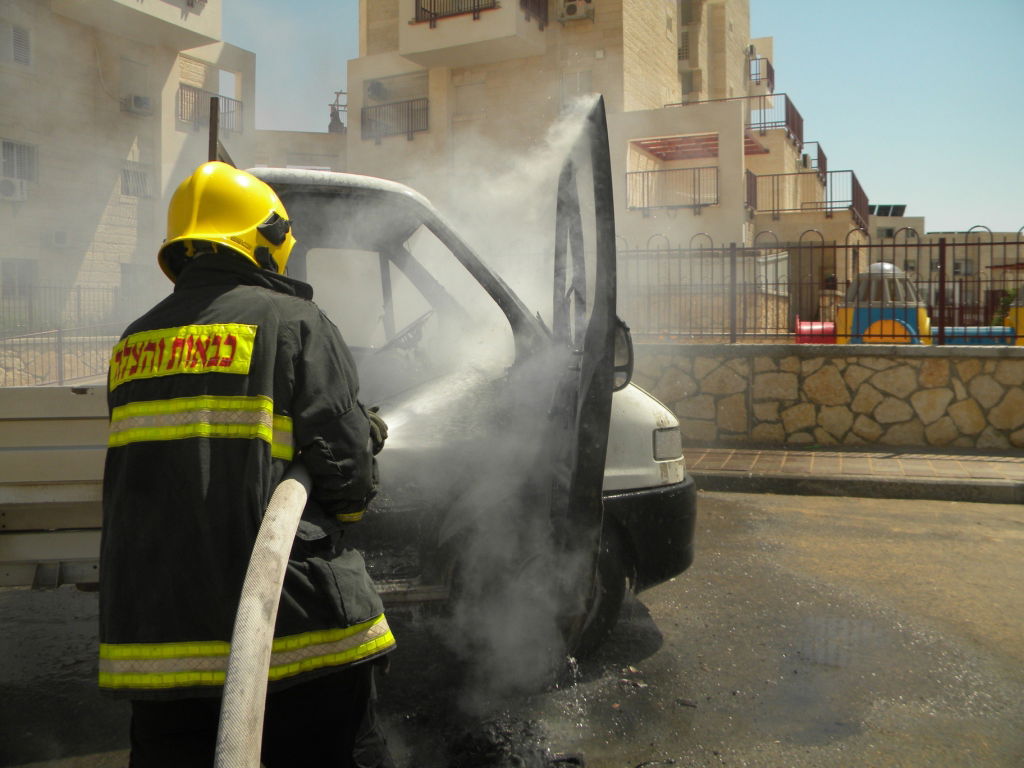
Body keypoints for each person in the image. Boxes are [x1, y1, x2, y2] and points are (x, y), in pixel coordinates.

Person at [98, 161, 396, 767]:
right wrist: (362, 439)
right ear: (263, 237)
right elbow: (350, 482)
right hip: (290, 637)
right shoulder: (294, 322)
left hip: (156, 646)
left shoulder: (133, 342)